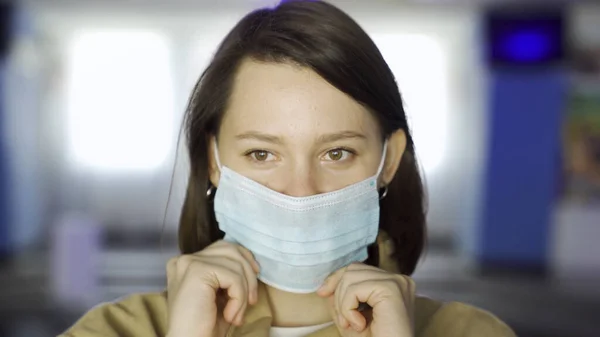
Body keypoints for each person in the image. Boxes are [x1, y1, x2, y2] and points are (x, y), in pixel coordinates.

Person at [60, 1, 516, 336]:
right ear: (213, 162)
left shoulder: (469, 332)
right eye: (262, 154)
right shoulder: (117, 330)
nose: (300, 192)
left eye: (336, 153)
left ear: (388, 161)